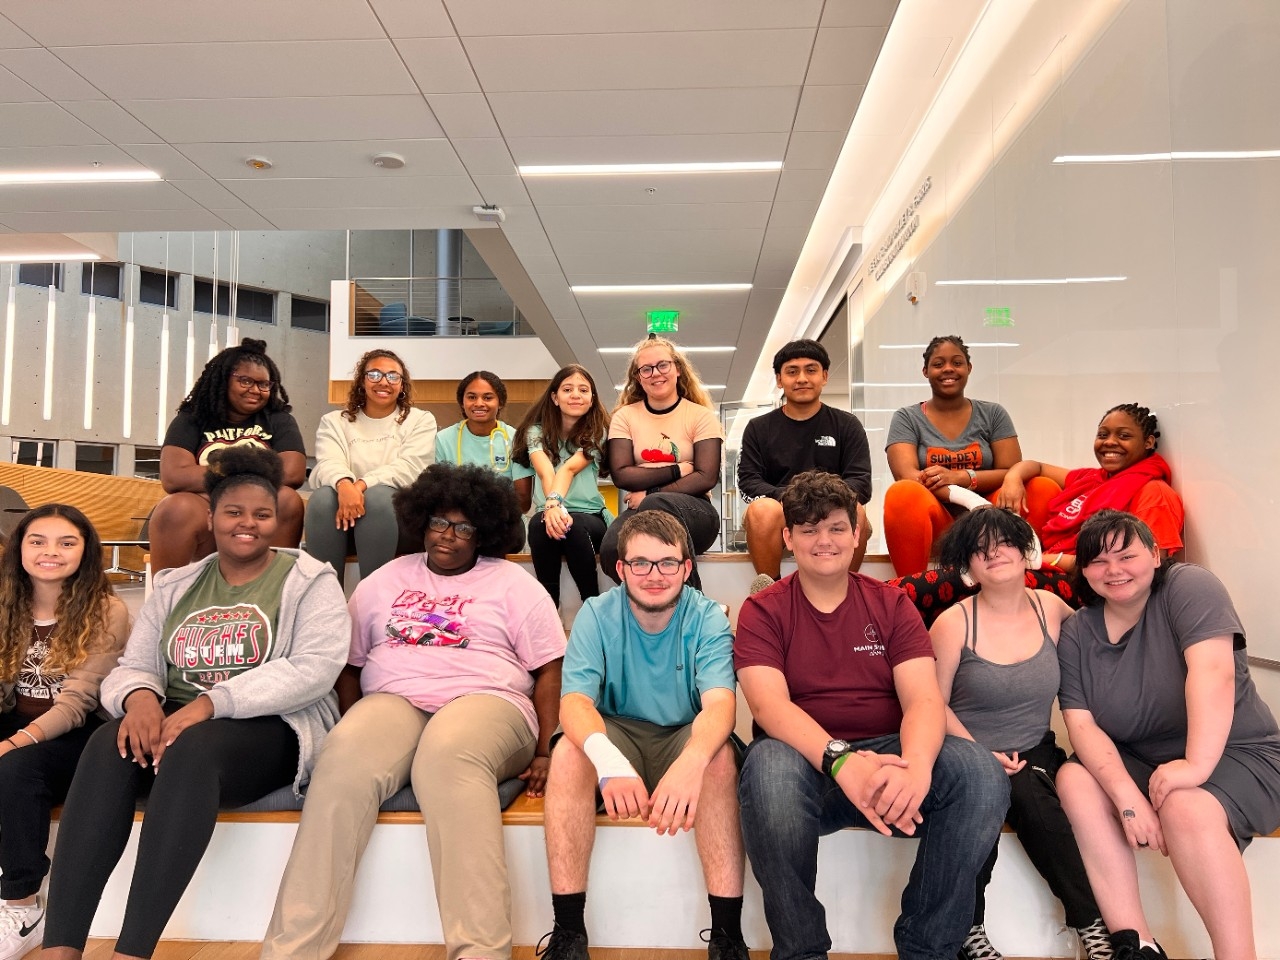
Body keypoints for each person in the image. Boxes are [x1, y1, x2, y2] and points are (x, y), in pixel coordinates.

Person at [41, 446, 349, 960]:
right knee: (104, 745)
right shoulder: (177, 583)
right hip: (172, 723)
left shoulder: (309, 581)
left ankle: (132, 950)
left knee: (195, 748)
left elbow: (313, 670)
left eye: (262, 514)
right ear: (211, 518)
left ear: (277, 521)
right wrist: (139, 700)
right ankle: (60, 947)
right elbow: (135, 665)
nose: (247, 524)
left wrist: (210, 704)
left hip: (269, 730)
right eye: (234, 512)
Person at [262, 462, 565, 960]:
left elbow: (549, 669)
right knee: (340, 763)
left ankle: (480, 952)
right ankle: (291, 950)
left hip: (488, 700)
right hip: (394, 698)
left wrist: (545, 750)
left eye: (464, 526)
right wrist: (353, 720)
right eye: (438, 522)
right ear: (419, 520)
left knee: (446, 759)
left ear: (484, 531)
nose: (447, 535)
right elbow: (350, 666)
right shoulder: (384, 580)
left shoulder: (515, 584)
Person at [735, 469, 1008, 960]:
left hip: (890, 757)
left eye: (837, 527)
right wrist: (842, 760)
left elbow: (924, 700)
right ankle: (801, 950)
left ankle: (929, 948)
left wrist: (918, 767)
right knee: (768, 767)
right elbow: (768, 706)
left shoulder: (891, 603)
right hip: (808, 768)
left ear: (857, 534)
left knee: (981, 774)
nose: (825, 540)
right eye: (810, 529)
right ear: (787, 538)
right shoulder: (763, 610)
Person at [1056, 510, 1280, 960]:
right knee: (1072, 779)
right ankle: (1135, 944)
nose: (1113, 570)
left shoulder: (1189, 586)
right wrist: (1127, 797)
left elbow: (1212, 672)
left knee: (1184, 806)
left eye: (1126, 555)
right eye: (1097, 561)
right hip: (1142, 760)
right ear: (1083, 571)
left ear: (1155, 555)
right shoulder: (1078, 630)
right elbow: (1081, 724)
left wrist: (1193, 766)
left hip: (1236, 751)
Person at [538, 510, 746, 960]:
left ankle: (728, 937)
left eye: (668, 563)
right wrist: (610, 764)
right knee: (570, 754)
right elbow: (574, 703)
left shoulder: (708, 617)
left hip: (680, 735)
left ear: (687, 568)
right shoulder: (595, 614)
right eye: (641, 564)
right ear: (621, 569)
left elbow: (720, 706)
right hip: (617, 735)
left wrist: (691, 764)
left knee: (719, 758)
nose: (655, 575)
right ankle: (568, 934)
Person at [929, 508, 1110, 960]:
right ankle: (967, 931)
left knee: (1030, 792)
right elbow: (931, 705)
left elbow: (1102, 645)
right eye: (979, 549)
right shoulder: (952, 623)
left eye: (1003, 542)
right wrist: (979, 755)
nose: (993, 553)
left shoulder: (1051, 607)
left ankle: (1092, 926)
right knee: (984, 796)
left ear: (1025, 551)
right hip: (966, 751)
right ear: (967, 567)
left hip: (1035, 748)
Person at [891, 402, 1184, 626]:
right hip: (1047, 569)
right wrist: (1012, 479)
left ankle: (883, 604)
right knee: (960, 580)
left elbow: (1146, 570)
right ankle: (883, 602)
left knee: (976, 580)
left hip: (1084, 588)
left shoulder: (1154, 494)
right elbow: (1036, 466)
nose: (1109, 442)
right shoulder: (1093, 479)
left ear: (1147, 443)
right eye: (1103, 434)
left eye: (1123, 436)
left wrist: (1042, 560)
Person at [0, 505, 129, 960]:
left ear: (85, 551)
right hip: (13, 718)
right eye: (38, 541)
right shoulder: (3, 602)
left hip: (78, 734)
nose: (50, 552)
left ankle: (21, 906)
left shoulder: (106, 610)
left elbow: (76, 703)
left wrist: (12, 742)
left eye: (66, 542)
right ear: (20, 549)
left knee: (14, 769)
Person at [149, 337, 308, 574]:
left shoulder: (278, 419)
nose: (255, 390)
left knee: (287, 499)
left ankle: (274, 591)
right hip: (206, 506)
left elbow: (293, 472)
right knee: (176, 508)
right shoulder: (192, 418)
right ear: (223, 380)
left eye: (264, 384)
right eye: (245, 381)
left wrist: (221, 472)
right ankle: (168, 599)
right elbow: (174, 477)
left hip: (260, 505)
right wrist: (255, 468)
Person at [738, 339, 872, 593]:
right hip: (780, 511)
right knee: (761, 510)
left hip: (833, 509)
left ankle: (845, 592)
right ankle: (771, 595)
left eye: (810, 370)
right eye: (792, 371)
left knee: (858, 510)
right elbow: (748, 482)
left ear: (824, 376)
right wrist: (792, 499)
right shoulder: (758, 428)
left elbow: (861, 483)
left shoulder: (847, 425)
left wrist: (822, 501)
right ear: (779, 380)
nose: (801, 378)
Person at [883, 335, 1022, 575]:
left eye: (957, 363)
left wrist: (962, 478)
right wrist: (969, 499)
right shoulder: (907, 418)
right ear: (925, 371)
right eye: (938, 364)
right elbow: (908, 476)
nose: (948, 369)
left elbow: (1012, 471)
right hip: (940, 521)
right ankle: (911, 593)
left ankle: (1032, 581)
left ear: (969, 368)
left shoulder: (993, 414)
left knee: (1040, 487)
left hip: (991, 518)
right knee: (903, 493)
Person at [600, 336, 724, 589]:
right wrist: (680, 468)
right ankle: (652, 606)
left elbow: (706, 477)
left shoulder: (701, 416)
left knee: (658, 502)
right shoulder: (625, 416)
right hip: (640, 511)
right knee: (613, 549)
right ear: (638, 377)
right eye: (646, 369)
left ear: (678, 369)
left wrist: (649, 494)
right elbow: (622, 476)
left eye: (663, 365)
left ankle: (694, 606)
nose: (655, 373)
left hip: (696, 513)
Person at [305, 349, 436, 587]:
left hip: (398, 526)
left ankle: (373, 599)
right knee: (323, 498)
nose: (384, 382)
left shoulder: (419, 420)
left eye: (393, 376)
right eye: (374, 374)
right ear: (362, 381)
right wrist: (344, 485)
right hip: (341, 525)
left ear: (402, 384)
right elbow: (327, 462)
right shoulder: (335, 421)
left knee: (377, 497)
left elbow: (410, 468)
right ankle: (325, 601)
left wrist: (360, 485)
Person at [513, 364, 611, 609]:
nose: (576, 394)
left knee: (573, 525)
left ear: (592, 399)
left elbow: (568, 468)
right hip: (550, 513)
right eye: (568, 389)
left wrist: (554, 503)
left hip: (591, 517)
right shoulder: (535, 432)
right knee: (538, 523)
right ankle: (549, 611)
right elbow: (546, 471)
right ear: (555, 398)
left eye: (583, 390)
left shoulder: (597, 430)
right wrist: (552, 508)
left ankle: (593, 607)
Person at [435, 370, 534, 514]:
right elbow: (439, 493)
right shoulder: (443, 439)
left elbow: (523, 502)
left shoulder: (516, 439)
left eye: (487, 398)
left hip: (503, 520)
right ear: (462, 402)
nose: (479, 403)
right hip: (460, 520)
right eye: (471, 397)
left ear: (500, 402)